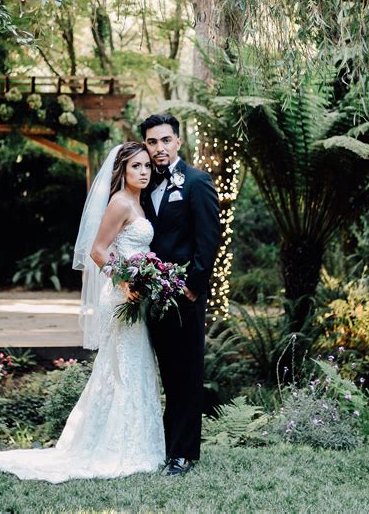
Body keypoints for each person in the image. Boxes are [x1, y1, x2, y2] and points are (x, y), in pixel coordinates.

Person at [0, 142, 165, 483]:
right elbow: (97, 250)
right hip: (122, 295)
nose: (144, 171)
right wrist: (124, 282)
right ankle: (122, 448)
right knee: (125, 368)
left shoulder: (138, 201)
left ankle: (137, 443)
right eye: (137, 166)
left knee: (128, 367)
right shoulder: (120, 202)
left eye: (147, 165)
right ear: (123, 169)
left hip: (135, 294)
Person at [140, 113, 221, 476]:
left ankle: (183, 454)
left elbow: (208, 241)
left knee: (186, 375)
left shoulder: (197, 182)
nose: (159, 148)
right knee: (163, 374)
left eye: (165, 140)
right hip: (150, 298)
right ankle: (162, 445)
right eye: (152, 142)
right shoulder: (141, 184)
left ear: (178, 141)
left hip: (184, 298)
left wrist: (192, 288)